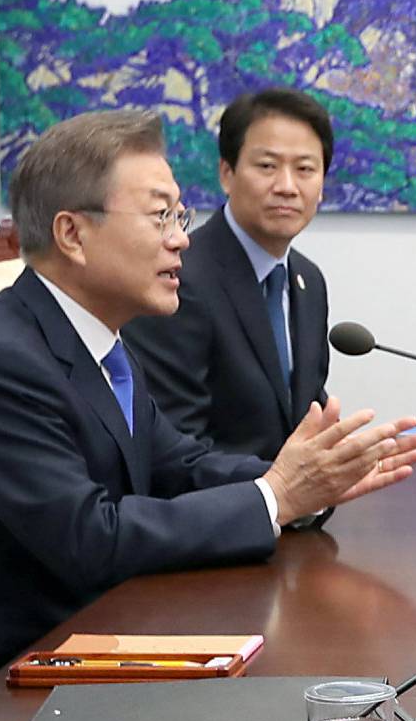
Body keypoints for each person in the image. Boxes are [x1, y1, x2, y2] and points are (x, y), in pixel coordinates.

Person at [0, 108, 416, 680]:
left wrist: (307, 480)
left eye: (179, 215)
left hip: (85, 641)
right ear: (72, 235)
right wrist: (274, 496)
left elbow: (177, 465)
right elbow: (92, 538)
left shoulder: (97, 339)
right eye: (160, 217)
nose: (181, 238)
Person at [125, 89, 333, 459]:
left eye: (305, 169)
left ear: (322, 185)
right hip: (217, 511)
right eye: (267, 166)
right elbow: (176, 447)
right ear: (227, 174)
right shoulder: (177, 279)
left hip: (293, 512)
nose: (286, 186)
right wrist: (280, 490)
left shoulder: (309, 281)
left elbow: (304, 423)